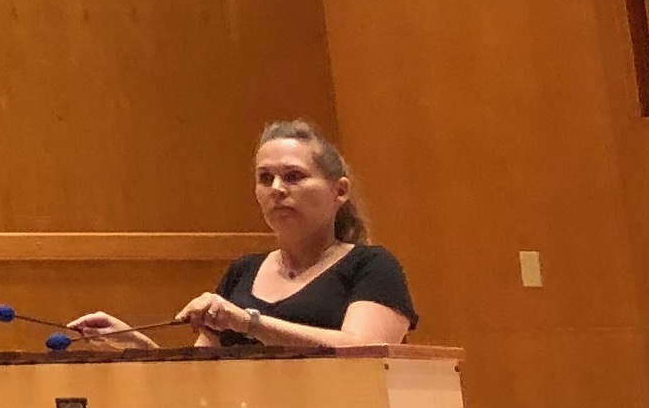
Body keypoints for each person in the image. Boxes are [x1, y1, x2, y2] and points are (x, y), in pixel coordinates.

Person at [66, 122, 418, 355]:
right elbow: (201, 375)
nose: (277, 189)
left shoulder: (371, 266)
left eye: (293, 176)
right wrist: (133, 343)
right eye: (265, 179)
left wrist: (249, 322)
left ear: (339, 191)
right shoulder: (243, 272)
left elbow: (368, 354)